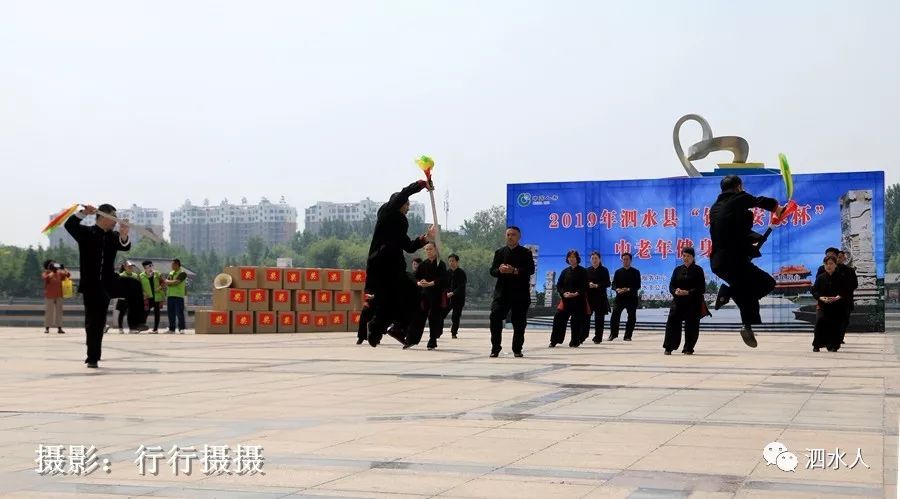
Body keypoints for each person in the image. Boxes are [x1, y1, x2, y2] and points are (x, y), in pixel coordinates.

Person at [65, 204, 147, 368]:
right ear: (103, 216)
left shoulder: (112, 236)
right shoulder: (86, 233)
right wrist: (84, 213)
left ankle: (135, 322)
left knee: (134, 285)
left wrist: (124, 234)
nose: (115, 222)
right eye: (113, 218)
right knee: (95, 321)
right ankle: (93, 357)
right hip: (92, 284)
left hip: (110, 281)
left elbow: (125, 245)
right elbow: (70, 225)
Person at [709, 175, 784, 348]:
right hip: (733, 260)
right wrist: (776, 206)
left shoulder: (715, 208)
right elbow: (757, 201)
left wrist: (755, 239)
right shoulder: (737, 198)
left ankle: (747, 326)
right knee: (767, 283)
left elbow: (733, 230)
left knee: (745, 293)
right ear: (738, 187)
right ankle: (727, 293)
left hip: (720, 262)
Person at [364, 179, 435, 347]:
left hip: (394, 267)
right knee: (413, 293)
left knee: (392, 301)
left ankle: (382, 330)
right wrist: (421, 184)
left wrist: (426, 238)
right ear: (400, 203)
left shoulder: (400, 223)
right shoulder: (387, 212)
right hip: (382, 265)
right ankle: (391, 328)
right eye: (407, 204)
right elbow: (404, 192)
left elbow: (409, 246)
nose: (408, 207)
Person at [488, 226, 535, 358]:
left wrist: (514, 271)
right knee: (495, 317)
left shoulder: (526, 253)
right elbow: (492, 271)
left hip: (520, 294)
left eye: (513, 235)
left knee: (519, 323)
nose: (510, 237)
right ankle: (495, 348)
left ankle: (517, 349)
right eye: (508, 234)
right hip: (502, 293)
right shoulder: (499, 252)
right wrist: (500, 270)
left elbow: (530, 270)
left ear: (519, 237)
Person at [662, 247, 708, 355]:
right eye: (684, 256)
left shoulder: (698, 270)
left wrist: (687, 292)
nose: (686, 258)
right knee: (672, 322)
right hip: (678, 302)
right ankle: (669, 347)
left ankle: (688, 348)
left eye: (688, 256)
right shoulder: (677, 270)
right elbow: (671, 285)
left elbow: (702, 288)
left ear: (693, 257)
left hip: (693, 302)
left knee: (691, 325)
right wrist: (675, 291)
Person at [407, 242, 448, 350]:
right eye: (426, 249)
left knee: (433, 318)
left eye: (430, 249)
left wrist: (430, 283)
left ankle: (432, 340)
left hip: (436, 295)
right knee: (418, 317)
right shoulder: (423, 265)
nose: (428, 251)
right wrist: (419, 283)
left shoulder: (441, 264)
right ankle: (411, 340)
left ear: (435, 250)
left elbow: (443, 279)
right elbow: (415, 277)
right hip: (424, 295)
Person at [550, 250, 588, 348]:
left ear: (577, 259)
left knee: (576, 321)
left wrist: (576, 293)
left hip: (578, 300)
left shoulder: (583, 271)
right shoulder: (564, 271)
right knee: (558, 318)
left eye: (573, 257)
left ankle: (575, 341)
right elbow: (559, 285)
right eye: (569, 257)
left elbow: (585, 286)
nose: (571, 259)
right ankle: (555, 340)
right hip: (566, 300)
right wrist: (564, 293)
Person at [811, 255, 849, 352]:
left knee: (836, 325)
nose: (829, 266)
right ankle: (817, 345)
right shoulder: (820, 278)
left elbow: (846, 290)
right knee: (820, 323)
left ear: (835, 265)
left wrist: (838, 297)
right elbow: (814, 291)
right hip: (823, 305)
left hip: (837, 305)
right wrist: (821, 297)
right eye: (826, 264)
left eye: (831, 264)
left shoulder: (841, 277)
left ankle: (832, 345)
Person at [608, 253, 641, 341]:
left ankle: (627, 336)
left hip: (631, 298)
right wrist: (617, 289)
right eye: (624, 259)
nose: (625, 261)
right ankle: (613, 334)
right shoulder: (618, 272)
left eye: (627, 259)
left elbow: (638, 286)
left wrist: (628, 289)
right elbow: (614, 284)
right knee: (615, 315)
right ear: (622, 260)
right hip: (620, 298)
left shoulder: (636, 272)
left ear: (630, 260)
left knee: (631, 317)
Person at [585, 251, 611, 343]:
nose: (594, 260)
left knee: (599, 319)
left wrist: (597, 285)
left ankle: (598, 337)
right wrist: (588, 284)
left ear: (599, 259)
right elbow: (583, 283)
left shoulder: (604, 270)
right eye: (592, 258)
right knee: (586, 317)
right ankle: (584, 335)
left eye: (596, 258)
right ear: (590, 260)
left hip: (600, 297)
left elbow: (608, 283)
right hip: (589, 298)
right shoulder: (587, 270)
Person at [41, 259, 70, 335]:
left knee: (59, 312)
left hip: (59, 295)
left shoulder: (59, 273)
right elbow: (46, 278)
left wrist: (63, 268)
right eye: (52, 265)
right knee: (49, 312)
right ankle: (47, 328)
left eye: (54, 265)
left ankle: (59, 328)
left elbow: (68, 275)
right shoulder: (46, 273)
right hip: (49, 295)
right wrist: (51, 272)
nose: (54, 266)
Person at [837, 250, 858, 344]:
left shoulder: (850, 270)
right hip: (833, 300)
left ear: (844, 258)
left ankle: (840, 337)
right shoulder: (829, 270)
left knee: (845, 320)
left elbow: (855, 284)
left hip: (846, 300)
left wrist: (845, 290)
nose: (839, 259)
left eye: (841, 257)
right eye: (837, 257)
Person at [139, 260, 166, 333]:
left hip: (157, 297)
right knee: (145, 312)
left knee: (157, 313)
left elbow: (163, 282)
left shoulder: (157, 273)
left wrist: (159, 288)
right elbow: (139, 286)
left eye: (152, 265)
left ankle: (155, 329)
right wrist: (143, 292)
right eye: (149, 266)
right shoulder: (141, 275)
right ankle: (141, 327)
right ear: (145, 267)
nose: (151, 267)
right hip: (147, 297)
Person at [445, 254, 467, 339]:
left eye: (453, 261)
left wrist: (453, 293)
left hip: (458, 298)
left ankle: (454, 332)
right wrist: (446, 293)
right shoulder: (447, 273)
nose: (451, 263)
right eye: (450, 261)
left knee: (456, 316)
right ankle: (438, 331)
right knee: (442, 314)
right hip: (447, 298)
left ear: (457, 262)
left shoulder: (461, 273)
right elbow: (444, 284)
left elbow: (462, 286)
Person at [165, 258, 188, 333]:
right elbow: (167, 282)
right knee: (170, 313)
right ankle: (172, 329)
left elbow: (176, 282)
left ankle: (182, 328)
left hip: (178, 296)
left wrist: (168, 282)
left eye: (173, 264)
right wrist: (168, 282)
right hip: (170, 295)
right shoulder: (171, 273)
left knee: (179, 313)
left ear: (177, 265)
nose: (171, 266)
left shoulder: (182, 273)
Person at [116, 262, 140, 333]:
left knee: (131, 314)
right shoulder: (121, 275)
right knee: (122, 313)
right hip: (123, 298)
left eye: (132, 267)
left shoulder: (135, 275)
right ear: (125, 267)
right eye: (129, 267)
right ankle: (120, 328)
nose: (131, 268)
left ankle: (131, 328)